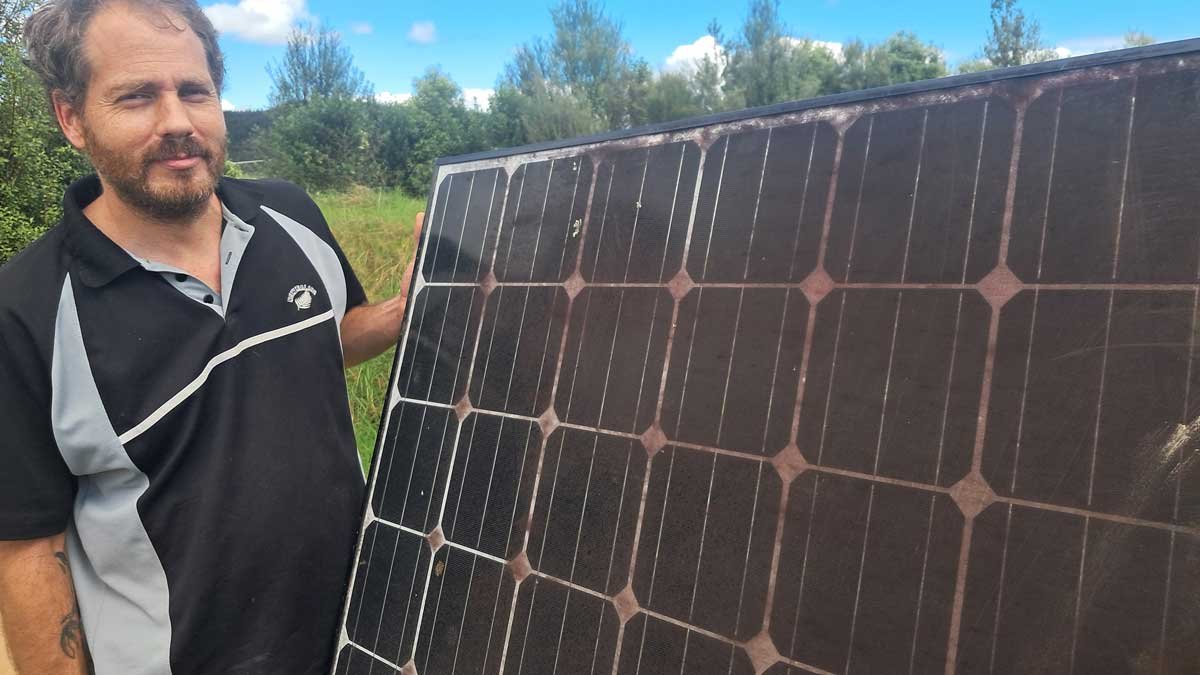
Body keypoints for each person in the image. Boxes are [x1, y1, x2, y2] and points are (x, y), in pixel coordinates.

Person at [0, 1, 418, 672]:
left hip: (356, 641)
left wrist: (407, 308)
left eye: (194, 91)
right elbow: (26, 547)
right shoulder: (25, 311)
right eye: (137, 96)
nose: (177, 122)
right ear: (71, 117)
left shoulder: (290, 214)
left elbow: (328, 339)